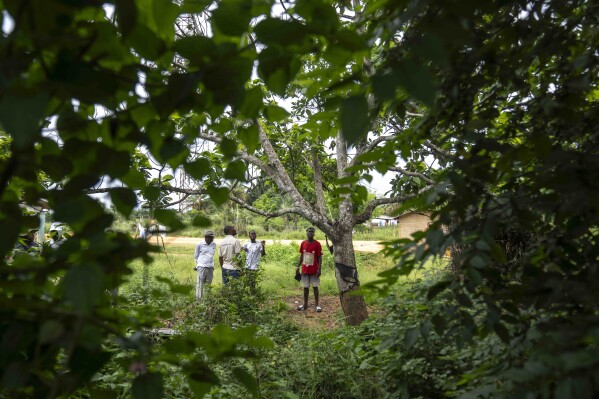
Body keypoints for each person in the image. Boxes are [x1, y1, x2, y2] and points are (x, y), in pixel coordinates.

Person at [296, 227, 323, 312]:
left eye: (312, 232)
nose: (311, 233)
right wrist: (297, 267)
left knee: (315, 287)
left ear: (314, 233)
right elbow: (301, 256)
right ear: (306, 233)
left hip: (314, 270)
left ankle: (317, 305)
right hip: (304, 270)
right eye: (309, 232)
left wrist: (319, 269)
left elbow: (319, 257)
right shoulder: (303, 243)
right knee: (305, 287)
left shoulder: (317, 244)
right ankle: (305, 304)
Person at [194, 230, 216, 302]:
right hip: (201, 267)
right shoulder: (199, 244)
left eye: (213, 237)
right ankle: (198, 302)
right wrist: (198, 265)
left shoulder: (213, 244)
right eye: (211, 237)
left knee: (208, 284)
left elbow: (211, 255)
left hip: (210, 267)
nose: (212, 239)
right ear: (206, 237)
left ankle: (206, 301)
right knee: (200, 284)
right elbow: (196, 256)